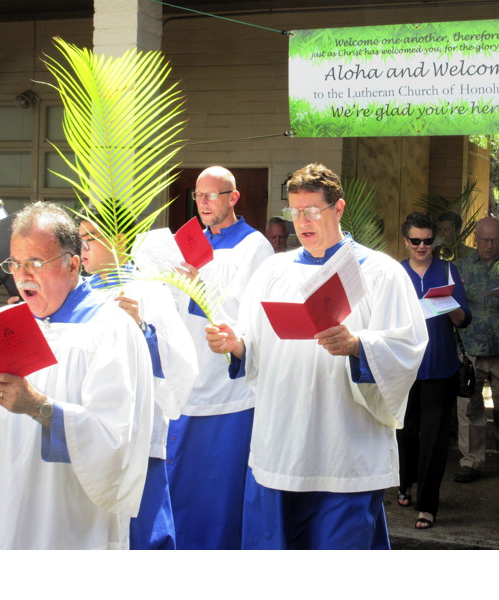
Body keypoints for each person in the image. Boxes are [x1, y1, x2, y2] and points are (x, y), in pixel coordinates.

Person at [205, 163, 428, 549]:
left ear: (338, 209)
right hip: (283, 446)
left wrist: (358, 345)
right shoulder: (273, 271)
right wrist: (236, 344)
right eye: (295, 211)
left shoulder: (380, 272)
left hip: (346, 447)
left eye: (312, 211)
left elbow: (407, 347)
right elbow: (253, 340)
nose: (302, 221)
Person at [0, 201, 154, 549]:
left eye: (35, 262)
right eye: (15, 263)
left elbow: (115, 442)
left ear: (73, 264)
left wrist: (39, 407)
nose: (22, 275)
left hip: (63, 522)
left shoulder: (110, 330)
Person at [78, 204, 199, 549]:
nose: (82, 249)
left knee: (142, 535)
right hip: (90, 430)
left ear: (118, 239)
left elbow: (180, 362)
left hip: (136, 434)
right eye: (79, 240)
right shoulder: (77, 293)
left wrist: (141, 328)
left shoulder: (147, 289)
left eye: (90, 239)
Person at [166, 166, 273, 549]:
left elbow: (252, 315)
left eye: (213, 195)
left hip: (229, 390)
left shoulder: (255, 247)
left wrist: (200, 287)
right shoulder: (184, 243)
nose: (205, 202)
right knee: (181, 486)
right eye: (199, 195)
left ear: (234, 197)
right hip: (187, 382)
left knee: (220, 488)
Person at [396, 212, 471, 530]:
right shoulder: (395, 274)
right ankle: (405, 483)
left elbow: (464, 319)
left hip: (440, 366)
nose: (422, 246)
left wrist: (450, 305)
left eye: (428, 240)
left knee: (435, 439)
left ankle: (427, 505)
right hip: (404, 368)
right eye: (416, 241)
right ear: (406, 241)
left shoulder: (448, 270)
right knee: (405, 433)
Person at [453, 216, 499, 482]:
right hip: (470, 348)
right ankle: (471, 461)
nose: (489, 245)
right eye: (484, 240)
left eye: (494, 240)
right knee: (469, 407)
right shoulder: (461, 267)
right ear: (475, 240)